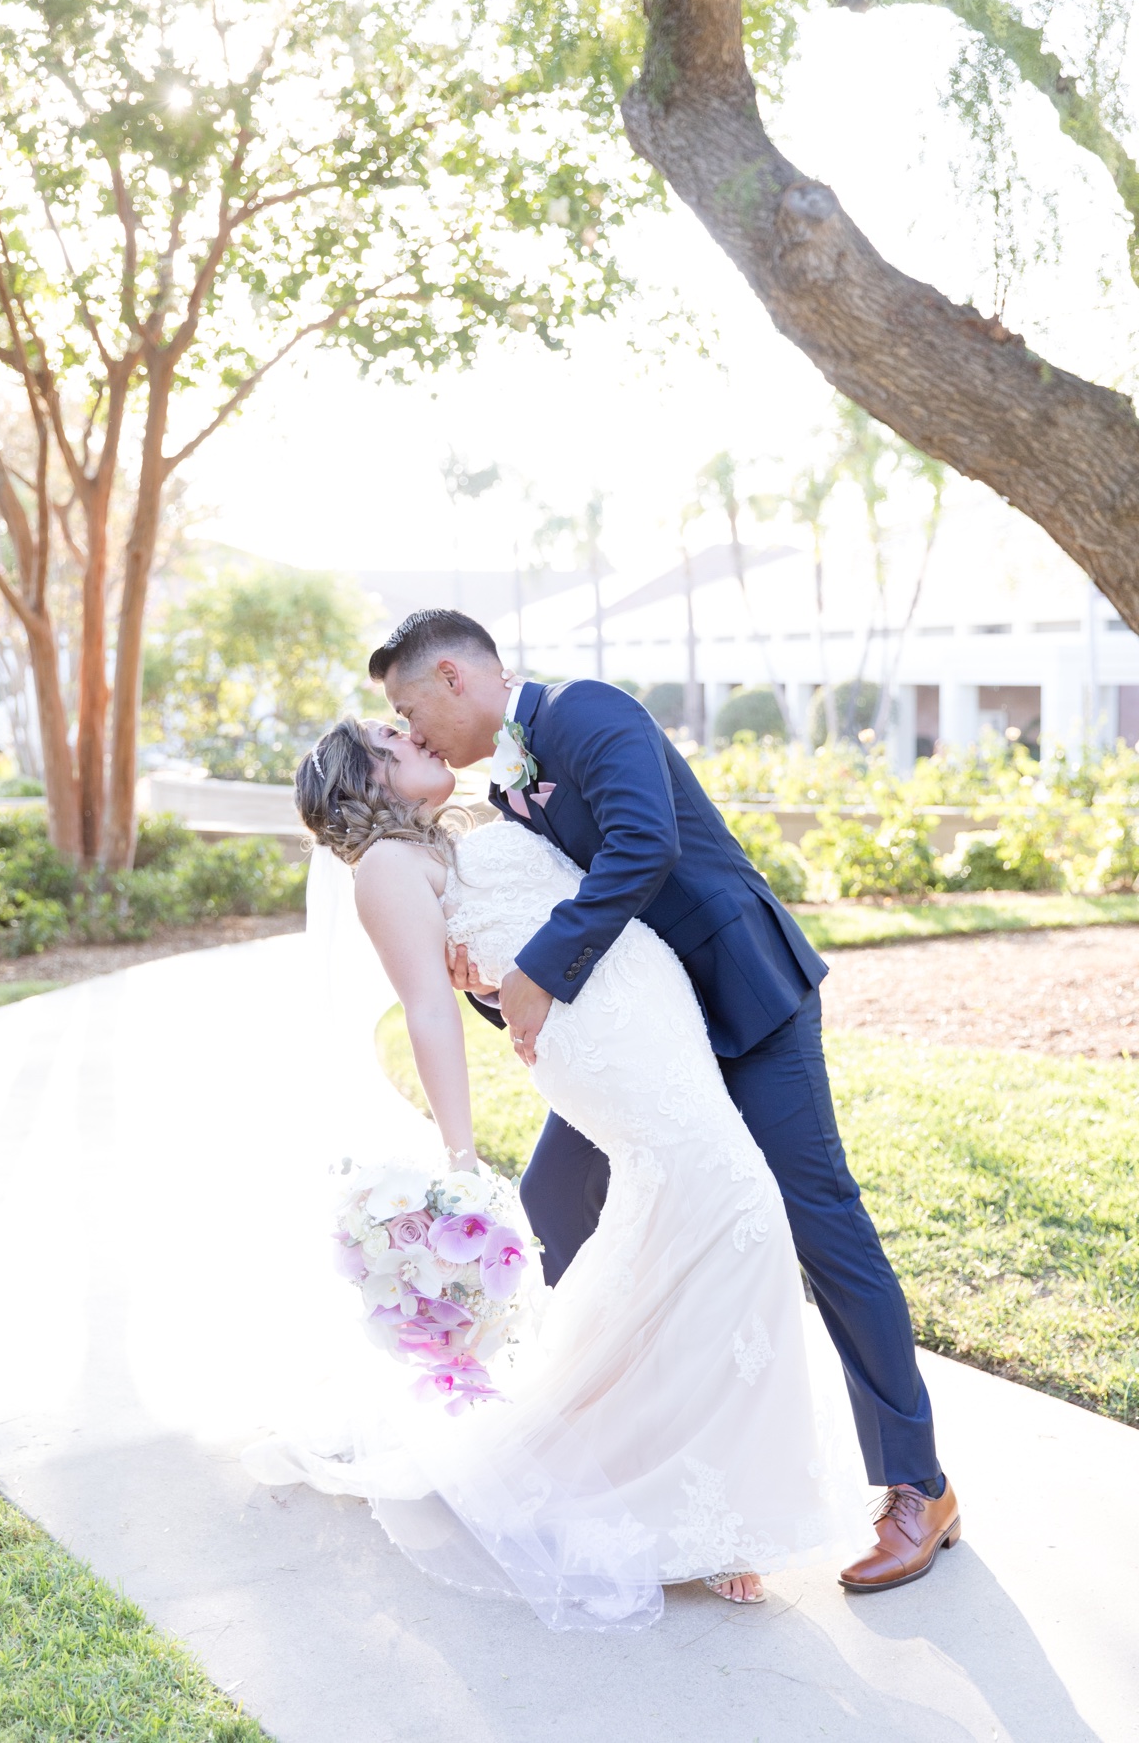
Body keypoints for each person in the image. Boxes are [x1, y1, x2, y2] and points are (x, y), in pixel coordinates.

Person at [369, 608, 960, 1596]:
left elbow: (642, 845)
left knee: (818, 1220)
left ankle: (918, 1485)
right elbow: (535, 918)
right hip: (646, 1038)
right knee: (558, 1203)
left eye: (406, 706)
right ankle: (635, 1446)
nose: (409, 727)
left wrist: (543, 971)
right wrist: (489, 979)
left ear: (453, 676)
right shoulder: (506, 787)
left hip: (743, 999)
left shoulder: (588, 713)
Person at [260, 707, 872, 1631]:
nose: (411, 736)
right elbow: (428, 1010)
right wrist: (459, 1157)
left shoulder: (456, 831)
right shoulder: (384, 867)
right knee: (738, 1213)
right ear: (363, 784)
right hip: (601, 1046)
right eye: (389, 744)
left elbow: (528, 918)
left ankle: (638, 1463)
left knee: (683, 1225)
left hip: (646, 1016)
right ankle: (718, 1514)